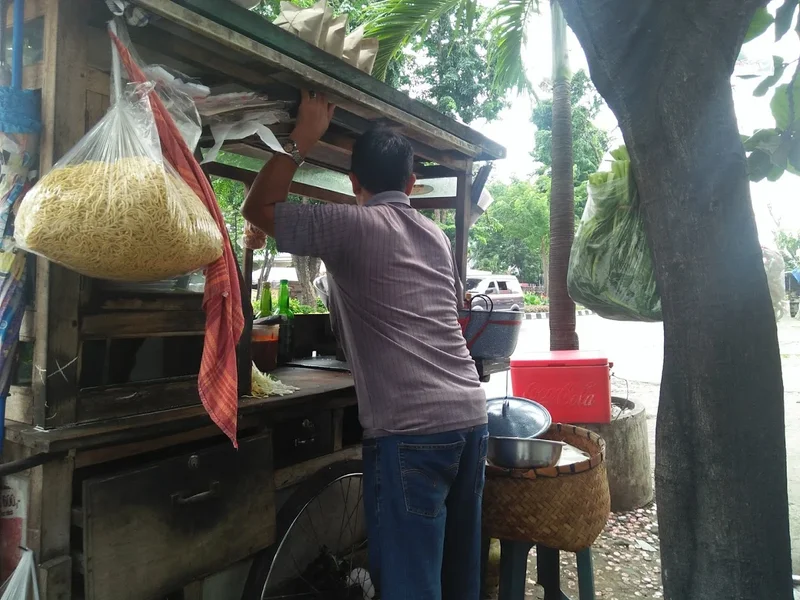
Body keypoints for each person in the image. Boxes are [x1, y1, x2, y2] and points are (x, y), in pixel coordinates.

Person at [241, 91, 488, 600]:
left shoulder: (352, 223)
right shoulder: (435, 236)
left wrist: (302, 138)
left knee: (409, 586)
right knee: (457, 578)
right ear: (411, 184)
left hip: (411, 432)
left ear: (353, 183)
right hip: (470, 417)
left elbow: (257, 207)